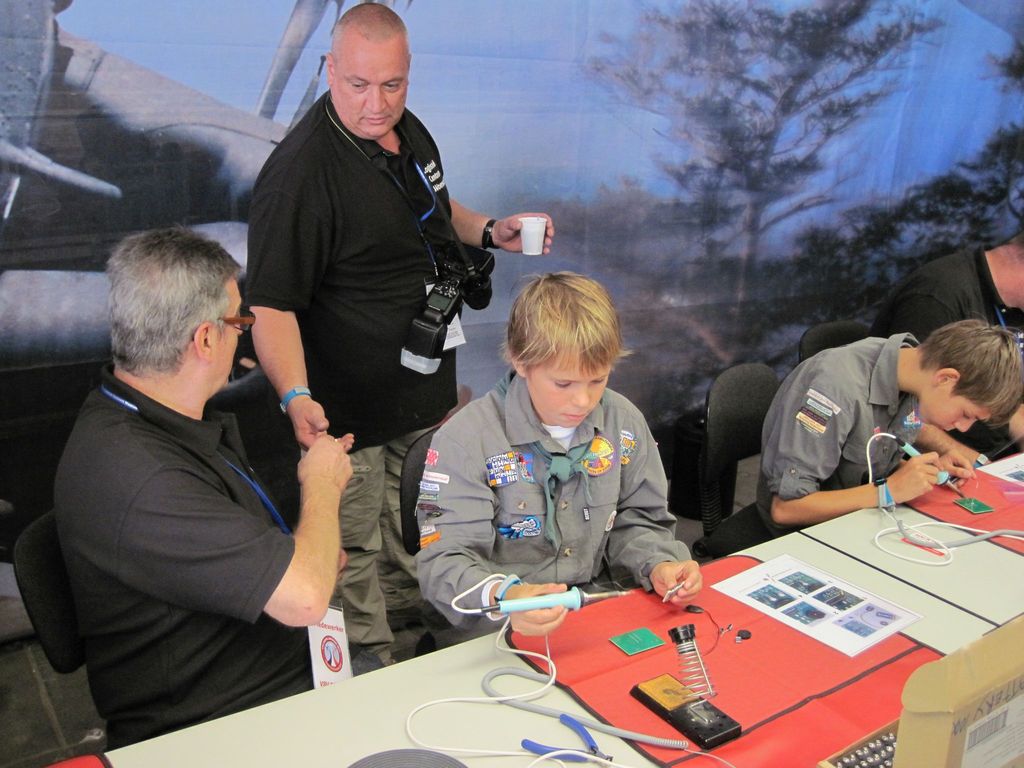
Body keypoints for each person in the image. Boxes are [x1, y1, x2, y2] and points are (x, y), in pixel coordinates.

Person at [245, 2, 554, 664]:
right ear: (330, 69)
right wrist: (295, 396)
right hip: (345, 416)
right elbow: (269, 307)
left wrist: (490, 230)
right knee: (352, 558)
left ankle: (421, 654)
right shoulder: (300, 175)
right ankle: (368, 677)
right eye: (358, 84)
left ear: (409, 71)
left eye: (392, 84)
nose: (376, 103)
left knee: (418, 534)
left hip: (419, 393)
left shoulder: (405, 130)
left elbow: (433, 208)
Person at [54, 229, 354, 748]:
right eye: (239, 322)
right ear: (206, 340)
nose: (242, 336)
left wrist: (308, 552)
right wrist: (322, 484)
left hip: (270, 671)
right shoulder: (143, 477)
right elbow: (306, 600)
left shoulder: (152, 416)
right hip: (222, 724)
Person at [415, 272, 702, 638]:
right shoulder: (466, 440)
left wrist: (659, 563)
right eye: (563, 383)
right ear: (520, 361)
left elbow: (640, 520)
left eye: (598, 380)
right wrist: (508, 598)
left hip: (594, 606)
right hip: (497, 625)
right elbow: (445, 562)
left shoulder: (623, 422)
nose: (583, 401)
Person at [757, 319, 1023, 537]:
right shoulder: (832, 391)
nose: (963, 428)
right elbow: (785, 509)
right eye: (966, 414)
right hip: (802, 535)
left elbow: (868, 461)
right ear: (946, 378)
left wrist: (923, 473)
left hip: (865, 518)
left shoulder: (910, 373)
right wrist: (887, 491)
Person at [870, 234, 1024, 462]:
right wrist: (980, 466)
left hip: (999, 455)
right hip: (940, 461)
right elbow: (903, 414)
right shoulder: (936, 296)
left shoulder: (1015, 306)